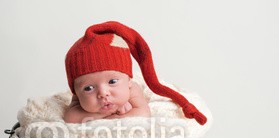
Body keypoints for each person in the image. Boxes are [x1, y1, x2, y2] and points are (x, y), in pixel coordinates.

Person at [64, 21, 207, 125]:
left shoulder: (132, 90)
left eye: (112, 82)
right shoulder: (79, 99)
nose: (103, 93)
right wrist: (107, 114)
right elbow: (70, 118)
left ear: (128, 81)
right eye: (89, 88)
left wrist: (116, 118)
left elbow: (143, 113)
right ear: (76, 91)